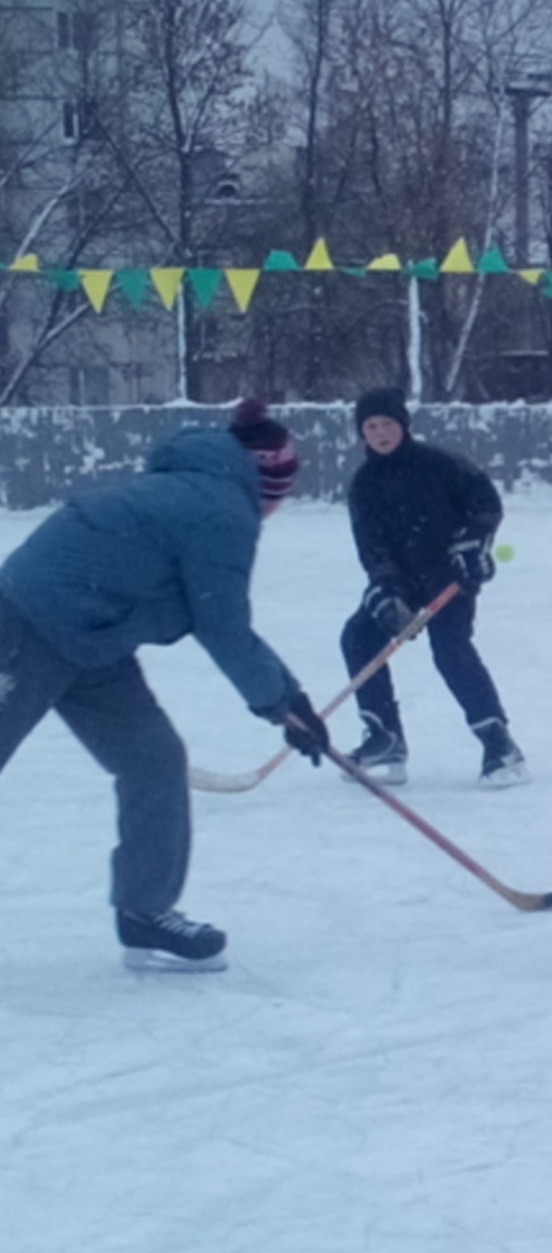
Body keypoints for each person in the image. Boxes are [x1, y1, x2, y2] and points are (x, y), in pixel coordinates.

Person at [0, 400, 328, 972]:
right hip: (27, 621)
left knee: (153, 760)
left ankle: (144, 912)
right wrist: (282, 702)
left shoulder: (196, 487)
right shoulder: (222, 511)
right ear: (269, 482)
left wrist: (286, 697)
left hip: (96, 637)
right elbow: (220, 622)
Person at [341, 388, 527, 788]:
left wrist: (472, 545)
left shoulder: (441, 464)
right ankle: (385, 739)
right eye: (371, 427)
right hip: (403, 581)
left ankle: (499, 743)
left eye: (387, 423)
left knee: (450, 650)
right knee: (358, 636)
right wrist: (387, 592)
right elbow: (371, 546)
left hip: (450, 577)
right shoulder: (363, 484)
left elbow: (485, 505)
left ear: (403, 425)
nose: (380, 433)